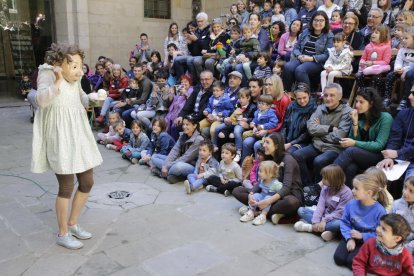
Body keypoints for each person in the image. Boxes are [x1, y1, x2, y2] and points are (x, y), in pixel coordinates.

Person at [31, 43, 103, 249]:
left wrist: (91, 98)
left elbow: (80, 97)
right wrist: (58, 82)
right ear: (58, 64)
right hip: (60, 135)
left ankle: (72, 223)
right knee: (66, 186)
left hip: (78, 132)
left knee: (87, 181)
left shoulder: (77, 78)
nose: (80, 71)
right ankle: (62, 233)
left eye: (81, 65)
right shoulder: (48, 73)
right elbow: (40, 101)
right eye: (75, 66)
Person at [233, 133, 303, 224]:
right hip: (266, 193)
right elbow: (261, 180)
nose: (264, 145)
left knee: (292, 202)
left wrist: (268, 201)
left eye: (267, 142)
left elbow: (286, 188)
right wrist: (251, 194)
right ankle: (264, 210)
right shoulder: (269, 158)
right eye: (264, 142)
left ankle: (256, 210)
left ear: (276, 146)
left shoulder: (288, 160)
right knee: (237, 191)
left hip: (286, 195)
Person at [292, 83, 352, 188]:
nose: (328, 98)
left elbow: (340, 136)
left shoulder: (347, 112)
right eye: (326, 95)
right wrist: (329, 128)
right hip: (317, 144)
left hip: (334, 148)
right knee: (297, 155)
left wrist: (319, 132)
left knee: (319, 160)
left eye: (332, 95)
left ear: (340, 96)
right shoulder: (320, 108)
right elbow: (310, 128)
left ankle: (319, 189)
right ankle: (309, 186)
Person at [333, 88, 393, 188]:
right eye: (356, 101)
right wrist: (355, 123)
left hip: (379, 156)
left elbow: (379, 145)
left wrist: (354, 143)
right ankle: (349, 197)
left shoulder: (385, 117)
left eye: (361, 102)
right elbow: (354, 140)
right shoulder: (360, 117)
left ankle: (325, 181)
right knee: (350, 167)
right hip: (362, 156)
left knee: (351, 151)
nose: (357, 105)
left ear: (371, 103)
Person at [333, 174, 388, 270]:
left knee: (351, 263)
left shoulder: (380, 211)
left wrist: (362, 236)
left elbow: (381, 235)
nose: (352, 190)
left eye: (356, 188)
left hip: (367, 241)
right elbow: (344, 222)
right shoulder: (351, 204)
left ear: (369, 193)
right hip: (350, 235)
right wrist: (349, 238)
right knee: (338, 259)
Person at [294, 165, 353, 241]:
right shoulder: (325, 188)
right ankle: (328, 231)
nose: (322, 180)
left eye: (325, 178)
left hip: (336, 218)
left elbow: (340, 212)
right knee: (301, 210)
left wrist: (324, 220)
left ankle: (311, 228)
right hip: (324, 216)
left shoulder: (347, 192)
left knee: (339, 224)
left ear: (333, 179)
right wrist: (316, 221)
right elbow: (320, 206)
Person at [281, 11, 333, 92]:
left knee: (300, 70)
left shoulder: (329, 35)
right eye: (315, 20)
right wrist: (298, 56)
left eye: (321, 20)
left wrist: (311, 58)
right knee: (288, 67)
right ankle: (287, 92)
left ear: (325, 22)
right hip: (302, 57)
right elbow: (296, 48)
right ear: (312, 21)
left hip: (317, 61)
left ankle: (307, 94)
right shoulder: (306, 31)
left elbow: (327, 54)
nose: (318, 23)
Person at [151, 115, 204, 184]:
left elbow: (186, 158)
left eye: (187, 125)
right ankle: (170, 175)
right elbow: (174, 151)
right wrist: (165, 166)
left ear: (194, 126)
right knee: (154, 157)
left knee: (178, 166)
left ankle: (161, 173)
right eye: (183, 124)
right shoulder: (182, 135)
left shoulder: (198, 139)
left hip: (190, 166)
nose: (184, 127)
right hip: (177, 161)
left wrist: (167, 166)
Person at [377, 87, 414, 179]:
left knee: (410, 185)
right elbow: (394, 138)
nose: (409, 97)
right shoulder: (403, 113)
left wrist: (397, 153)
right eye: (410, 93)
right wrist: (389, 157)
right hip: (400, 159)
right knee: (374, 179)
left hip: (408, 160)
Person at [213, 88, 257, 162]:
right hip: (233, 122)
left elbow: (254, 119)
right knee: (217, 128)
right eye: (239, 98)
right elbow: (231, 113)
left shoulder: (252, 107)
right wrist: (226, 118)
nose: (241, 100)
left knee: (236, 131)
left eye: (243, 98)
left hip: (241, 124)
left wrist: (247, 120)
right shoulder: (238, 104)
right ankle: (214, 145)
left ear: (248, 98)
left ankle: (238, 151)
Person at [240, 160, 284, 225]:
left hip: (270, 201)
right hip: (262, 197)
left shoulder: (276, 184)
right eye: (259, 171)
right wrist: (251, 195)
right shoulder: (262, 180)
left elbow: (282, 192)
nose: (258, 173)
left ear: (270, 174)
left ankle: (263, 216)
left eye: (261, 171)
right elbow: (255, 188)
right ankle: (251, 212)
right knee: (256, 195)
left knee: (268, 197)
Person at [281, 83, 317, 154]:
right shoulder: (291, 106)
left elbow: (308, 133)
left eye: (304, 97)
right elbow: (284, 126)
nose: (302, 101)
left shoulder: (314, 109)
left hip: (304, 141)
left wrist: (291, 143)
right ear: (295, 97)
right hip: (288, 139)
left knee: (289, 152)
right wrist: (283, 141)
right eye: (299, 99)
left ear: (309, 95)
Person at [355, 25, 392, 92]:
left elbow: (386, 62)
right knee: (358, 75)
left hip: (379, 70)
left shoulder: (387, 47)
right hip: (367, 69)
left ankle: (374, 93)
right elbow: (363, 58)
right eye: (373, 32)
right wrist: (362, 62)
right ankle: (363, 91)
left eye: (376, 33)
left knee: (376, 78)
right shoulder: (368, 46)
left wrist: (373, 63)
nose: (373, 34)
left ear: (383, 36)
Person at [385, 26, 414, 110]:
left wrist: (404, 69)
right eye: (402, 38)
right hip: (400, 70)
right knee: (390, 75)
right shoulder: (402, 50)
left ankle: (404, 100)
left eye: (406, 38)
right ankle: (387, 98)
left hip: (409, 71)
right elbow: (398, 60)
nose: (403, 40)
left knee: (409, 76)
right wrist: (398, 68)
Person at [242, 94, 278, 160]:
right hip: (257, 133)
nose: (260, 105)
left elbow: (274, 123)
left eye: (262, 104)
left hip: (266, 135)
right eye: (259, 103)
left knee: (257, 145)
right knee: (246, 142)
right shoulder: (258, 112)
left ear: (268, 106)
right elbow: (255, 119)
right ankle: (245, 162)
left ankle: (257, 165)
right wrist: (253, 123)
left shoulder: (271, 113)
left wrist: (263, 126)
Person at [122, 63, 153, 127]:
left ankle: (129, 130)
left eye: (139, 71)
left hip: (142, 105)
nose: (136, 72)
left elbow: (143, 100)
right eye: (135, 71)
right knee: (116, 108)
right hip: (133, 102)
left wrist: (129, 102)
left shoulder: (146, 82)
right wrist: (126, 99)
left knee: (124, 114)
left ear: (143, 71)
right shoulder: (134, 79)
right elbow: (126, 91)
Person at [391, 176, 414, 260]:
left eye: (411, 191)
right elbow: (390, 222)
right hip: (395, 238)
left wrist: (409, 247)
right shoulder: (396, 204)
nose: (405, 192)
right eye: (405, 187)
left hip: (410, 243)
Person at [165, 75, 194, 140]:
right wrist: (171, 94)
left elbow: (192, 103)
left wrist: (186, 93)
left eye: (185, 82)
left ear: (189, 83)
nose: (183, 83)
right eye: (182, 82)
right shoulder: (178, 90)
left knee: (174, 126)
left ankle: (173, 143)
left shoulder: (192, 90)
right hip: (173, 113)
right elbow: (172, 103)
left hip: (185, 113)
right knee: (165, 121)